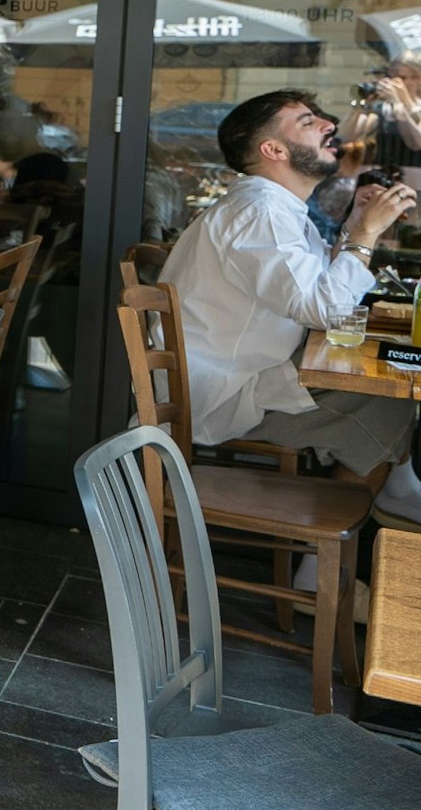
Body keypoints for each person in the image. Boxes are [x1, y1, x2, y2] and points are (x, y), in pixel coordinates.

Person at [160, 90, 421, 528]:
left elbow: (317, 286)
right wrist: (366, 236)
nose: (328, 125)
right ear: (274, 150)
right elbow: (325, 310)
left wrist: (355, 227)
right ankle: (326, 550)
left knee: (390, 385)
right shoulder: (259, 211)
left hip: (244, 374)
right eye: (307, 122)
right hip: (222, 396)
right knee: (385, 401)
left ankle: (394, 490)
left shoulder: (274, 207)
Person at [339, 52, 421, 183]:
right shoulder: (381, 109)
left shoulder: (415, 107)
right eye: (401, 77)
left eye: (414, 77)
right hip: (380, 181)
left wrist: (399, 102)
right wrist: (360, 105)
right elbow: (346, 137)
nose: (408, 82)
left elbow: (416, 143)